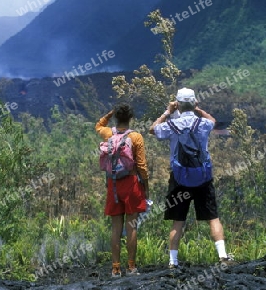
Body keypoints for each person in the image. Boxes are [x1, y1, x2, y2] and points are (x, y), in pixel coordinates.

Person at [149, 87, 236, 269]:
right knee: (213, 217)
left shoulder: (173, 125)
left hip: (179, 178)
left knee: (178, 220)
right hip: (203, 177)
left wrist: (168, 111)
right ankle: (223, 256)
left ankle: (173, 262)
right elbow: (213, 120)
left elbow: (153, 130)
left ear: (178, 104)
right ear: (195, 103)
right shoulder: (203, 124)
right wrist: (198, 109)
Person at [95, 103, 150, 277]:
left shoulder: (108, 134)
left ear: (117, 117)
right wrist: (146, 187)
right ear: (130, 118)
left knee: (116, 228)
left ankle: (115, 268)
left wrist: (109, 114)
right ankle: (132, 267)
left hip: (113, 185)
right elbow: (141, 165)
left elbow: (98, 125)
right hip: (132, 183)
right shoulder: (136, 137)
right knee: (132, 226)